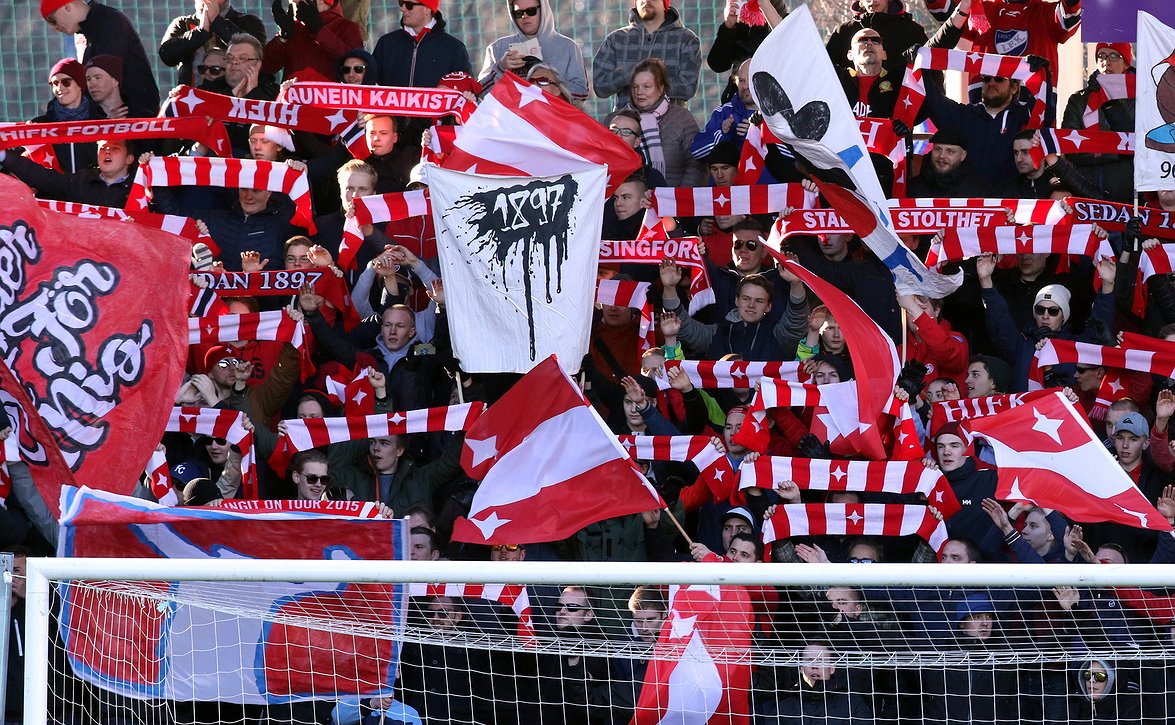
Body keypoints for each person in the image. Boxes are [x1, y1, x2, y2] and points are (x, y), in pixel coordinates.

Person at [659, 264, 808, 362]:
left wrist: (796, 283)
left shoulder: (778, 333)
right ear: (737, 301)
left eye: (759, 301)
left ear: (769, 307)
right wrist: (670, 288)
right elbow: (682, 327)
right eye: (746, 298)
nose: (751, 305)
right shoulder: (716, 332)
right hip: (720, 409)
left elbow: (796, 321)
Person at [41, 0, 162, 118]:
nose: (54, 28)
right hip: (115, 118)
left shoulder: (111, 23)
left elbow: (100, 82)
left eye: (52, 19)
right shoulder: (84, 35)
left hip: (133, 117)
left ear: (66, 7)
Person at [1060, 42, 1136, 203]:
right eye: (1101, 56)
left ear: (1126, 63)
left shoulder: (1140, 96)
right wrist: (1116, 150)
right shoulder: (1079, 100)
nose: (1106, 62)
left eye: (1114, 56)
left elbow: (1138, 141)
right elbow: (1069, 148)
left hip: (1128, 194)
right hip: (1086, 192)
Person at [592, 0, 701, 107]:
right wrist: (630, 74)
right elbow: (600, 87)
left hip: (670, 121)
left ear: (665, 4)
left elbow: (688, 88)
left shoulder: (686, 39)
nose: (646, 1)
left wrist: (652, 82)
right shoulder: (616, 39)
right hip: (626, 119)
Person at [478, 0, 588, 102]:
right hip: (511, 120)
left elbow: (582, 94)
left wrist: (553, 83)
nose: (524, 16)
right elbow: (480, 93)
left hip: (554, 120)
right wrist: (501, 68)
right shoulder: (498, 48)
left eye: (531, 11)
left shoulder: (568, 47)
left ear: (543, 10)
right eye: (518, 13)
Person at [622, 58, 704, 188]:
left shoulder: (682, 118)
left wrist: (679, 196)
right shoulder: (617, 120)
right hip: (629, 202)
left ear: (661, 88)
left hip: (674, 198)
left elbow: (695, 163)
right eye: (635, 87)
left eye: (647, 87)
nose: (639, 92)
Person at [158, 0, 267, 87]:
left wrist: (216, 21)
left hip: (234, 102)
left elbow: (255, 53)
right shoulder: (182, 24)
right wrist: (201, 32)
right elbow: (166, 54)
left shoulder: (249, 22)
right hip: (192, 101)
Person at [0, 138, 136, 207]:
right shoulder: (81, 182)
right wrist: (5, 156)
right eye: (103, 148)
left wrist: (150, 165)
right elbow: (43, 177)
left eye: (115, 148)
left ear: (129, 158)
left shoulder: (140, 188)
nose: (107, 151)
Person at [371, 0, 472, 88]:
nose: (402, 8)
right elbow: (369, 84)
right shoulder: (386, 43)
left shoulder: (453, 48)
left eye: (409, 5)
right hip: (392, 110)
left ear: (427, 9)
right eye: (401, 2)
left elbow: (467, 89)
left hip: (434, 110)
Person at [263, 0, 363, 83]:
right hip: (294, 102)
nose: (294, 1)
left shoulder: (347, 28)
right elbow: (266, 68)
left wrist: (320, 32)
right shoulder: (294, 29)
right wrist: (282, 37)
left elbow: (358, 67)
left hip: (332, 102)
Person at [32, 59, 103, 175]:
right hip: (53, 190)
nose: (60, 88)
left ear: (80, 84)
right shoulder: (39, 125)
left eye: (66, 82)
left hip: (93, 190)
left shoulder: (102, 123)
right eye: (55, 83)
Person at [825, 0, 928, 73]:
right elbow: (827, 70)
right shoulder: (844, 31)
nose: (872, 1)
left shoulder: (911, 30)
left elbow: (930, 72)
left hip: (902, 100)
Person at [690, 58, 758, 162]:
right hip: (729, 179)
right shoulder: (724, 112)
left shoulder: (776, 113)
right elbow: (696, 152)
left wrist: (756, 135)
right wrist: (723, 134)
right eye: (741, 80)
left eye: (750, 79)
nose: (745, 86)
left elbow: (790, 154)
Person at [907, 127, 994, 198]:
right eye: (938, 149)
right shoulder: (914, 186)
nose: (941, 156)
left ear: (963, 155)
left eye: (950, 151)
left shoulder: (979, 190)